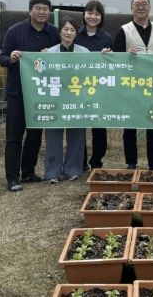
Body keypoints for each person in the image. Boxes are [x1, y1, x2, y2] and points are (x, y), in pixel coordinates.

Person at [0, 0, 60, 192]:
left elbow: (62, 56)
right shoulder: (15, 31)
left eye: (45, 9)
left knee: (35, 134)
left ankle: (28, 172)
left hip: (41, 92)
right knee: (14, 136)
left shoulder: (54, 33)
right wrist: (11, 58)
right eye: (38, 8)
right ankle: (12, 178)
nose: (42, 12)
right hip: (17, 92)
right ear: (30, 10)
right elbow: (1, 57)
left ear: (49, 12)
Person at [113, 0, 153, 170]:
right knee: (130, 127)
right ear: (131, 8)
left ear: (149, 7)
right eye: (137, 4)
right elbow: (116, 60)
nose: (141, 7)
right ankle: (131, 163)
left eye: (144, 4)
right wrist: (126, 56)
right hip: (131, 86)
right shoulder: (123, 30)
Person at [43, 17, 89, 183]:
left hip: (77, 99)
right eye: (66, 29)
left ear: (76, 33)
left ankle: (73, 170)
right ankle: (52, 172)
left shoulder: (85, 52)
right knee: (53, 136)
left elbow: (92, 72)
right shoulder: (49, 52)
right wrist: (39, 59)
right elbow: (39, 72)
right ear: (60, 31)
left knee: (77, 135)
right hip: (55, 99)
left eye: (72, 30)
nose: (69, 33)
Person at [75, 0, 112, 170]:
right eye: (89, 13)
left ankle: (97, 161)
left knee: (99, 127)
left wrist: (108, 55)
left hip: (98, 88)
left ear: (101, 17)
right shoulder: (75, 34)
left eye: (97, 14)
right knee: (79, 127)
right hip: (77, 88)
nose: (93, 17)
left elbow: (112, 64)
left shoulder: (106, 38)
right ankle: (80, 161)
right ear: (84, 14)